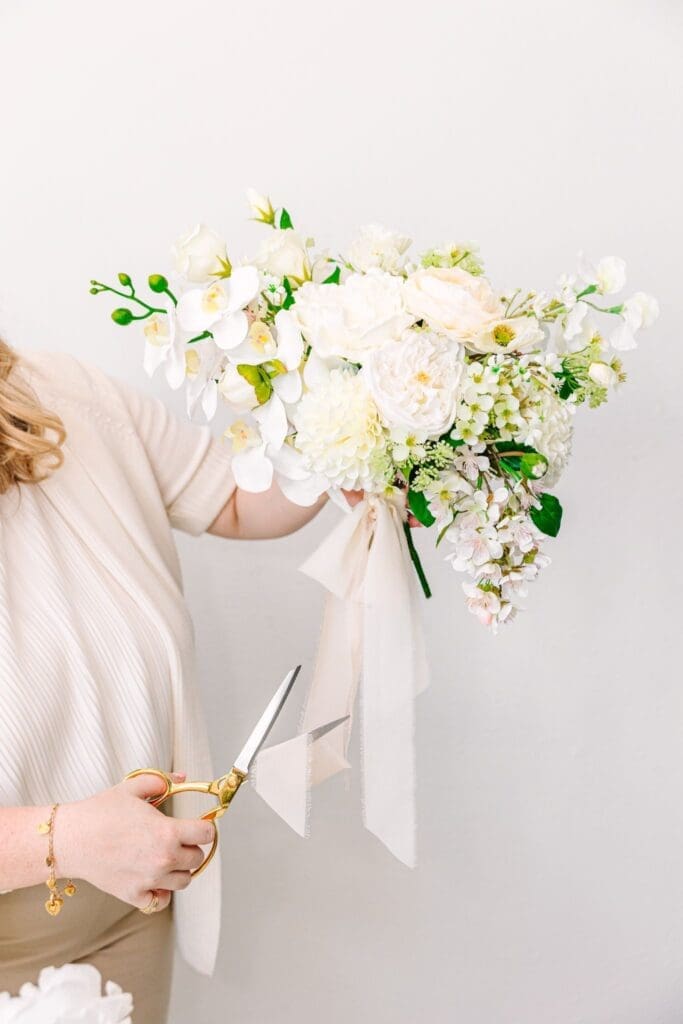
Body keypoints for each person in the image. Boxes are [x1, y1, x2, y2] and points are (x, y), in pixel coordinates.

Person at [0, 339, 378, 1021]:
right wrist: (69, 840)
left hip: (128, 910)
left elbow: (234, 498)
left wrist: (357, 431)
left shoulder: (59, 387)